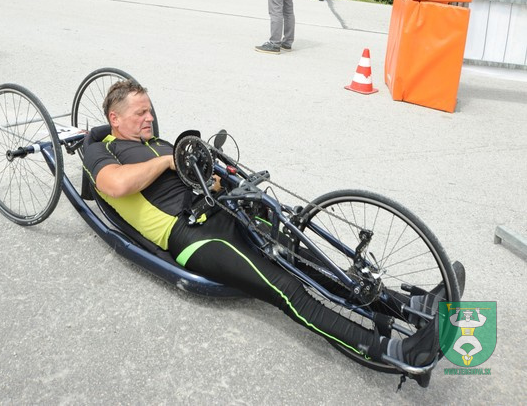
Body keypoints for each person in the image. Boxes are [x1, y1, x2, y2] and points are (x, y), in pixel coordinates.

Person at [82, 79, 447, 387]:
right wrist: (167, 161)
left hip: (224, 212)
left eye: (149, 110)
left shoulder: (157, 142)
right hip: (192, 235)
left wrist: (218, 179)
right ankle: (399, 354)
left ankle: (410, 308)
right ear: (115, 119)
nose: (149, 118)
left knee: (309, 262)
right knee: (287, 289)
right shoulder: (105, 151)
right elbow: (114, 186)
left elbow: (202, 180)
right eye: (140, 113)